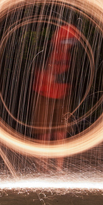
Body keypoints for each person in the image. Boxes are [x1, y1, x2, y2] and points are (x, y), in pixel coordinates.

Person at [31, 23, 81, 170]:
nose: (69, 45)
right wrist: (47, 75)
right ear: (59, 39)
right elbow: (36, 68)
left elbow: (73, 75)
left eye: (71, 42)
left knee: (61, 133)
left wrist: (63, 80)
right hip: (43, 94)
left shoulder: (71, 55)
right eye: (66, 41)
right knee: (44, 133)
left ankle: (59, 169)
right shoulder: (46, 50)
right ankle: (42, 166)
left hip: (62, 96)